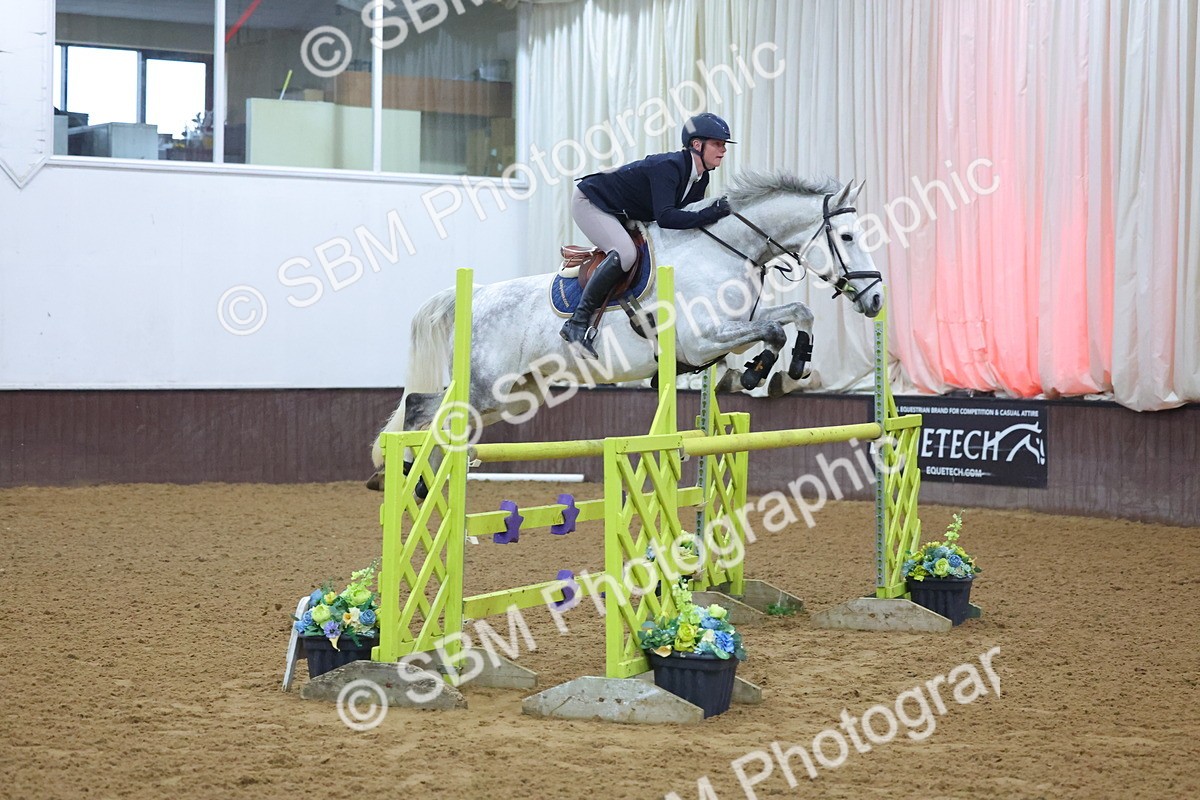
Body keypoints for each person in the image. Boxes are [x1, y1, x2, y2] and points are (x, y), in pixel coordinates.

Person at [560, 112, 735, 357]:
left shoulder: (700, 177)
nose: (723, 150)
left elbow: (685, 219)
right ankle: (577, 323)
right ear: (697, 144)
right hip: (591, 202)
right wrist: (711, 213)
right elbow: (665, 217)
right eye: (718, 144)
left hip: (622, 211)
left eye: (724, 145)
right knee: (626, 254)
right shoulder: (670, 167)